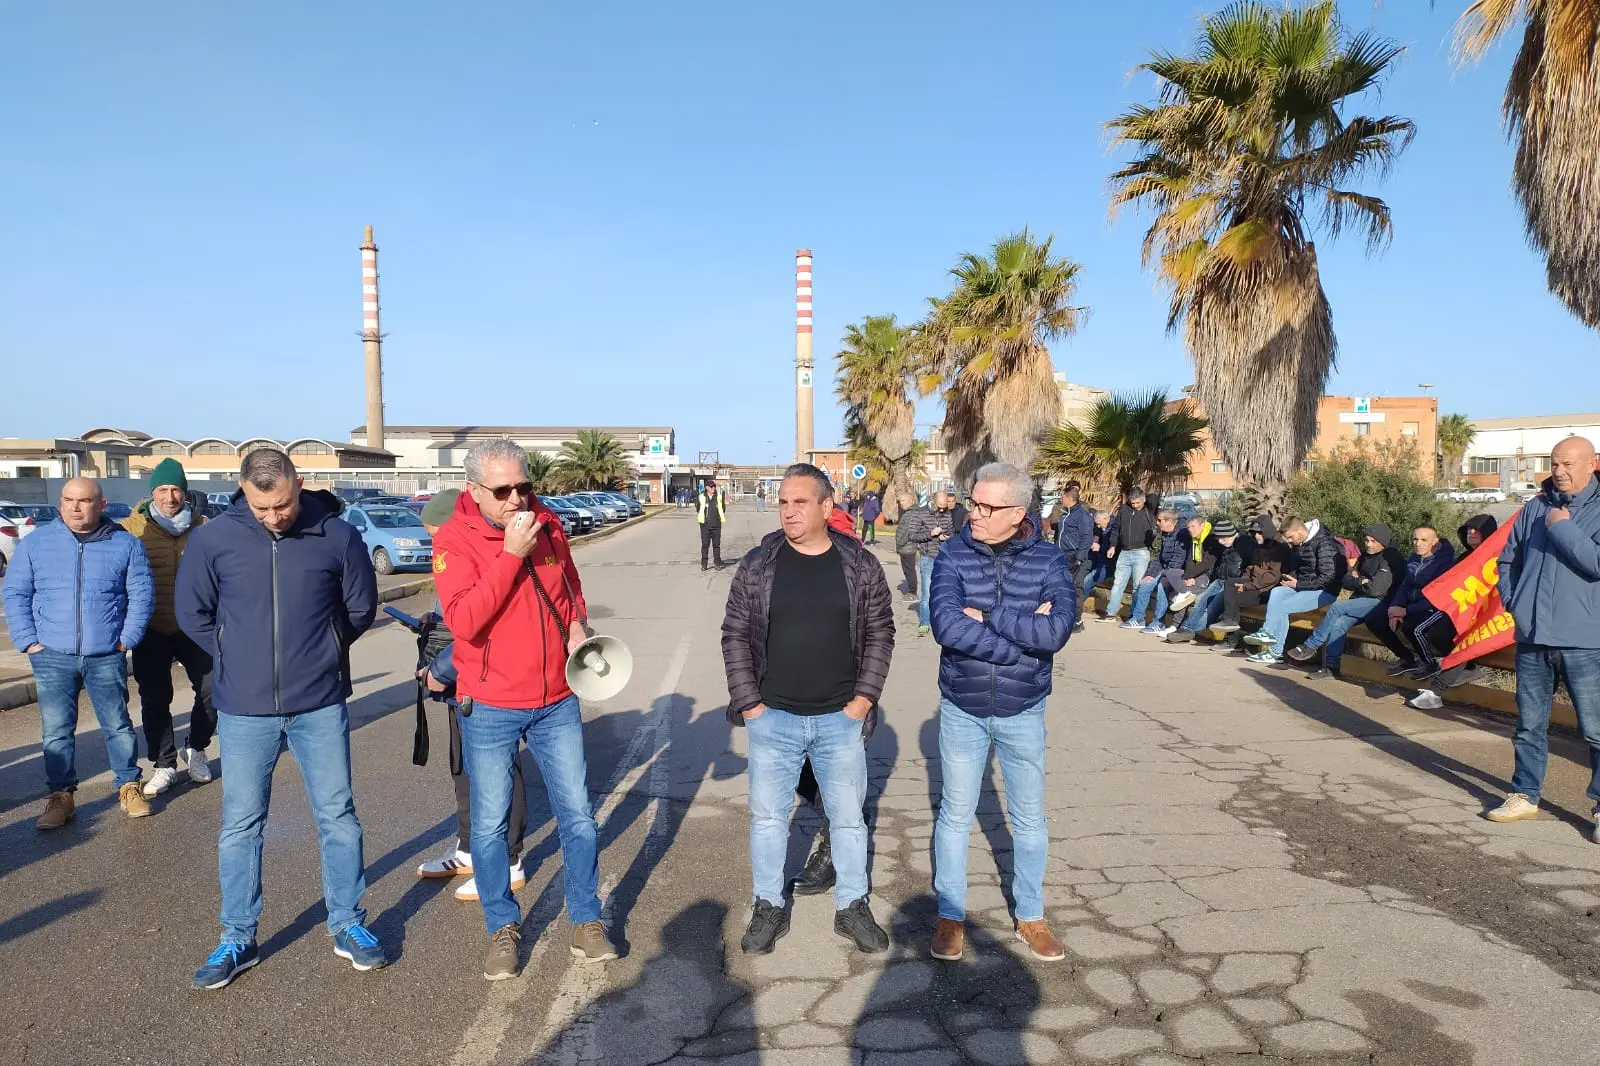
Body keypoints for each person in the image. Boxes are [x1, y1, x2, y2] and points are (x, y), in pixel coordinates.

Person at [177, 450, 383, 988]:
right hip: (244, 710)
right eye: (262, 506)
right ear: (243, 492)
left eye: (285, 504)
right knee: (242, 824)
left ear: (299, 485)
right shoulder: (213, 540)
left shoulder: (336, 535)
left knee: (337, 816)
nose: (275, 516)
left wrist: (325, 651)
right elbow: (192, 613)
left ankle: (348, 924)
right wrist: (233, 660)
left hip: (318, 702)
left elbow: (360, 608)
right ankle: (237, 938)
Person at [431, 439, 615, 980]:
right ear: (474, 492)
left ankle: (586, 920)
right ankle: (502, 928)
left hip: (556, 698)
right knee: (489, 828)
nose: (517, 499)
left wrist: (578, 625)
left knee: (578, 815)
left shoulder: (549, 524)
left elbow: (570, 590)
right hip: (489, 704)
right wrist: (511, 554)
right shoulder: (454, 539)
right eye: (504, 490)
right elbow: (464, 621)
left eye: (524, 486)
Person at [721, 463, 895, 956]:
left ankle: (852, 906)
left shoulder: (860, 566)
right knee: (769, 820)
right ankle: (768, 906)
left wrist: (862, 701)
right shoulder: (758, 564)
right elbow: (735, 635)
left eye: (800, 502)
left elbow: (881, 633)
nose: (789, 512)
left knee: (847, 820)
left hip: (841, 719)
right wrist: (749, 704)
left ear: (826, 507)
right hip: (772, 717)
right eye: (783, 502)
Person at [928, 462, 1075, 964]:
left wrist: (990, 617)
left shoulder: (1050, 561)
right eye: (973, 502)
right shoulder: (951, 554)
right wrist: (1018, 647)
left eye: (986, 507)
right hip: (962, 705)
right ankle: (950, 914)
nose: (974, 513)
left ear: (1017, 513)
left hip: (1022, 709)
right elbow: (946, 626)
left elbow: (1055, 632)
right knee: (955, 814)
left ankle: (1030, 915)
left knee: (1029, 819)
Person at [3, 477, 154, 828]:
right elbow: (16, 594)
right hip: (51, 653)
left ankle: (129, 785)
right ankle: (61, 797)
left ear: (100, 505)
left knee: (117, 724)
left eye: (84, 501)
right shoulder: (37, 544)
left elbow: (141, 595)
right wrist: (29, 641)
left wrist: (127, 638)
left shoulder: (125, 545)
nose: (74, 507)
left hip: (105, 653)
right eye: (68, 499)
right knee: (56, 729)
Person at [412, 489, 529, 902]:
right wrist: (433, 620)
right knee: (463, 767)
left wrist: (439, 669)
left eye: (434, 535)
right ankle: (467, 848)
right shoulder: (453, 555)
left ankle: (508, 860)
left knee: (498, 768)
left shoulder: (487, 555)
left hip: (484, 682)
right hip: (458, 686)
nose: (434, 546)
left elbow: (480, 627)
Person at [1485, 436, 1600, 829]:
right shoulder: (1535, 507)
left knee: (1596, 729)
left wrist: (1564, 529)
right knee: (1529, 725)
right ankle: (1524, 794)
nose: (1559, 472)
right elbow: (1507, 559)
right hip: (1533, 637)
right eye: (1554, 464)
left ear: (1592, 464)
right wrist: (1515, 602)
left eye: (1568, 464)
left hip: (1584, 640)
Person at [121, 459, 217, 798]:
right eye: (163, 489)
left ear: (185, 493)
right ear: (152, 493)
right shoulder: (131, 529)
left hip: (196, 628)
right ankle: (163, 764)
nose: (170, 496)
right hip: (152, 628)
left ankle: (198, 747)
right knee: (155, 699)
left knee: (212, 690)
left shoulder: (205, 527)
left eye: (176, 489)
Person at [1284, 523, 1405, 678]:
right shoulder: (1365, 556)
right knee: (1339, 624)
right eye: (1366, 540)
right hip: (1362, 601)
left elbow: (1376, 589)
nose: (1368, 544)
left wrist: (1359, 580)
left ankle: (1310, 646)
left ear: (1383, 541)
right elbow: (1346, 580)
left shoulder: (1391, 557)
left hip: (1381, 603)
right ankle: (1331, 667)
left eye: (1373, 541)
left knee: (1337, 608)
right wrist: (1362, 581)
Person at [1364, 525, 1458, 680]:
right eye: (1415, 539)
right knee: (1375, 620)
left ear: (1434, 542)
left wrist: (1406, 611)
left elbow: (1438, 597)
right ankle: (1408, 658)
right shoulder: (1414, 559)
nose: (1417, 543)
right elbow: (1405, 586)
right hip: (1411, 605)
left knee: (1414, 628)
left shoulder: (1445, 564)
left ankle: (1430, 664)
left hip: (1435, 607)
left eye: (1423, 540)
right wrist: (1396, 606)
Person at [1165, 518, 1249, 642]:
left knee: (1212, 607)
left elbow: (1249, 565)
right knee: (1201, 601)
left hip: (1233, 583)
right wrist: (1189, 575)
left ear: (1230, 534)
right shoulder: (1226, 544)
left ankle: (1191, 629)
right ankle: (1186, 629)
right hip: (1220, 579)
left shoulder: (1244, 544)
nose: (1220, 541)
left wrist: (1243, 580)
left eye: (1222, 538)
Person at [1124, 508, 1183, 634]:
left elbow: (1179, 560)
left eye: (1160, 520)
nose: (1157, 522)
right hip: (1165, 570)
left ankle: (1158, 622)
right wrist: (1150, 574)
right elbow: (1158, 558)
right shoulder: (1165, 534)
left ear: (1170, 521)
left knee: (1162, 586)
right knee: (1145, 584)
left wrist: (1165, 576)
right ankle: (1138, 618)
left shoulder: (1182, 535)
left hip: (1177, 572)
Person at [908, 492, 959, 635]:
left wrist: (947, 536)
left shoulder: (947, 514)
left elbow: (951, 530)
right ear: (933, 501)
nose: (943, 510)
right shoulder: (920, 514)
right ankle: (924, 622)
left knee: (945, 593)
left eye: (945, 507)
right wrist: (931, 533)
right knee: (927, 594)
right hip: (927, 558)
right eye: (940, 507)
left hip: (944, 558)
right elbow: (911, 535)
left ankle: (942, 622)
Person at [1100, 486, 1154, 620]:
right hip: (1124, 552)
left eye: (1138, 503)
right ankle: (1110, 612)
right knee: (1118, 584)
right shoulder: (1124, 510)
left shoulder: (1148, 509)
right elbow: (1116, 529)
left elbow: (1154, 497)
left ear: (1144, 500)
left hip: (1141, 552)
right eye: (1133, 503)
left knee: (1137, 586)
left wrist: (1144, 499)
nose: (1135, 506)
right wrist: (1112, 546)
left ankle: (1134, 615)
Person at [1053, 483, 1094, 630]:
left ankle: (1076, 620)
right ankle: (1062, 615)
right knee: (1061, 587)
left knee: (1076, 588)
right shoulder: (1066, 513)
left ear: (1069, 497)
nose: (1061, 498)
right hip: (1062, 555)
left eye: (1062, 496)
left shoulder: (1082, 515)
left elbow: (1087, 537)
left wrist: (1079, 557)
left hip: (1076, 558)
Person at [893, 491, 923, 599]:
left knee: (909, 570)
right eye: (900, 501)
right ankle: (911, 591)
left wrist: (900, 543)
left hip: (908, 547)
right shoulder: (908, 512)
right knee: (907, 570)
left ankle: (912, 593)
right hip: (905, 547)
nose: (901, 503)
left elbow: (909, 531)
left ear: (912, 500)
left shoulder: (912, 513)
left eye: (904, 501)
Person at [697, 479, 727, 571]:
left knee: (716, 545)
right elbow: (698, 508)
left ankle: (717, 563)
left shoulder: (719, 497)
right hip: (705, 525)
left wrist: (718, 517)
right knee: (705, 545)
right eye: (711, 486)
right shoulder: (701, 497)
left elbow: (723, 508)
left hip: (716, 525)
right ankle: (704, 564)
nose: (713, 488)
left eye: (714, 486)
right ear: (707, 488)